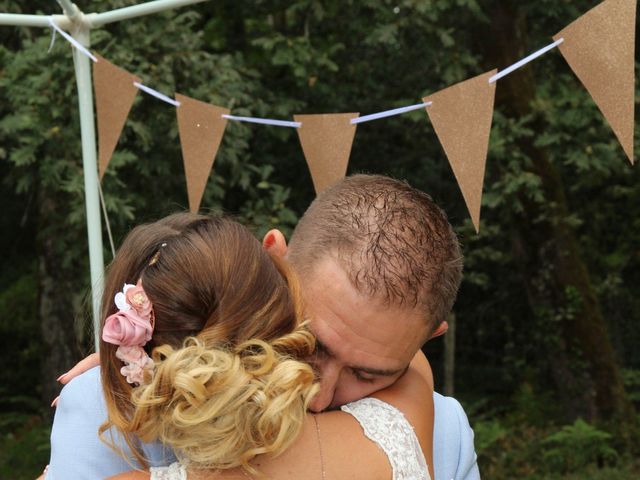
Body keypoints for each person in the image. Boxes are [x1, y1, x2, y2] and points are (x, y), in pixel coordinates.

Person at [50, 174, 479, 479]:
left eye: (367, 375)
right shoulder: (107, 408)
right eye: (310, 344)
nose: (320, 396)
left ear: (428, 339)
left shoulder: (447, 432)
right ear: (274, 260)